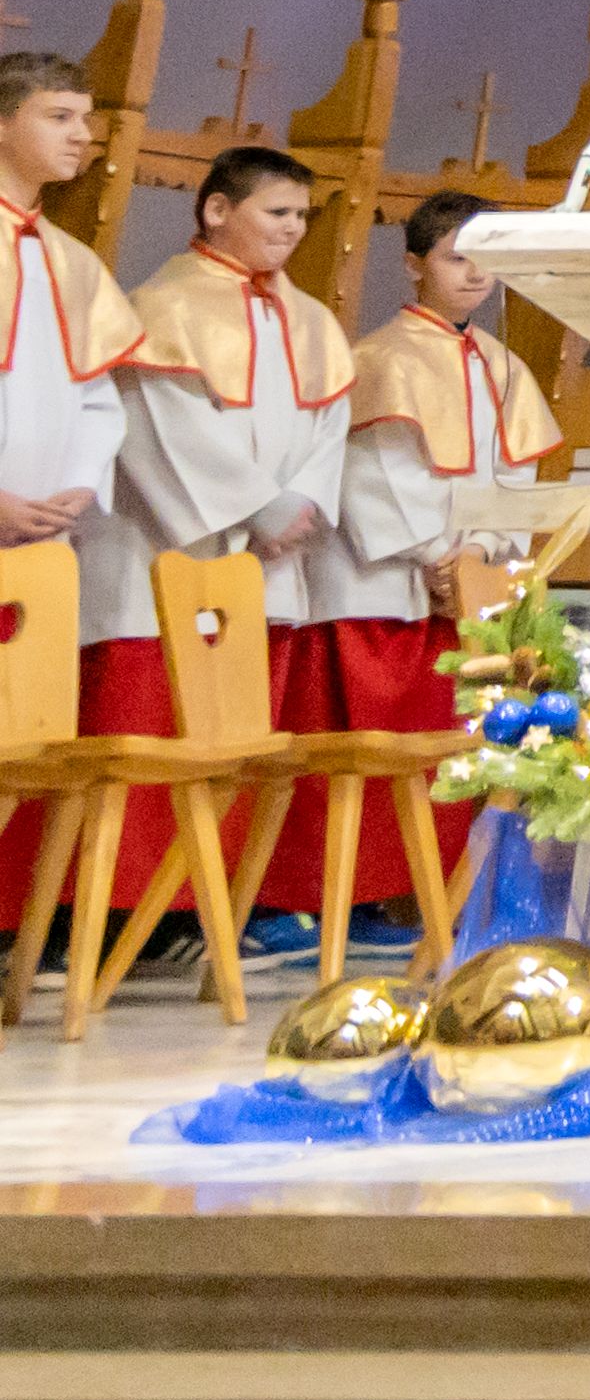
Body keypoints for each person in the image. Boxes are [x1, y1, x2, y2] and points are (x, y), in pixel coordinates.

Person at [269, 192, 570, 938]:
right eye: (456, 257)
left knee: (441, 759)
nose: (475, 275)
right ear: (413, 265)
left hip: (461, 593)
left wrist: (483, 551)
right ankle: (309, 905)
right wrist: (436, 555)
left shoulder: (504, 366)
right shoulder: (380, 357)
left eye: (488, 259)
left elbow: (517, 475)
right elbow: (366, 475)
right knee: (362, 750)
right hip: (378, 587)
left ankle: (407, 900)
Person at [86, 146, 356, 933]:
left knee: (238, 740)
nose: (293, 228)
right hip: (170, 556)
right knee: (155, 726)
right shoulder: (162, 305)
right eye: (277, 212)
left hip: (266, 566)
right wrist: (259, 507)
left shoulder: (312, 320)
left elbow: (329, 426)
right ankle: (116, 917)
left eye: (302, 215)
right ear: (216, 210)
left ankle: (205, 912)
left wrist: (302, 503)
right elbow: (160, 426)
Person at [0, 52, 137, 566]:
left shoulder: (73, 260)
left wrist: (79, 483)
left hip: (43, 529)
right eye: (59, 117)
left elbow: (96, 396)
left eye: (84, 119)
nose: (82, 135)